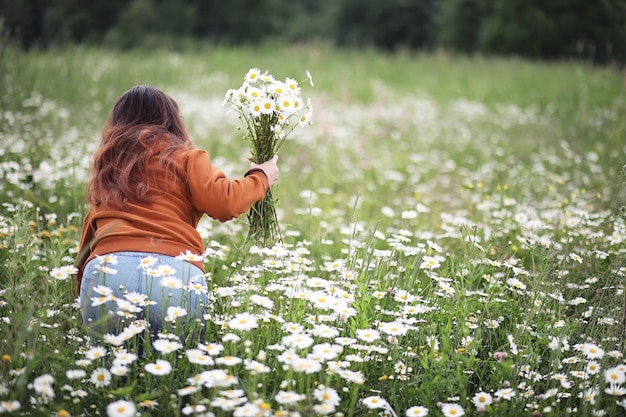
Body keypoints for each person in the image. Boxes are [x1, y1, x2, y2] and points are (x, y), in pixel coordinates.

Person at [75, 85, 278, 336]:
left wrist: (83, 286)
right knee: (178, 369)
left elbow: (89, 233)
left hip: (108, 271)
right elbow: (225, 202)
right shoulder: (187, 158)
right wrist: (261, 177)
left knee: (109, 372)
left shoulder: (109, 167)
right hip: (174, 271)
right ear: (172, 122)